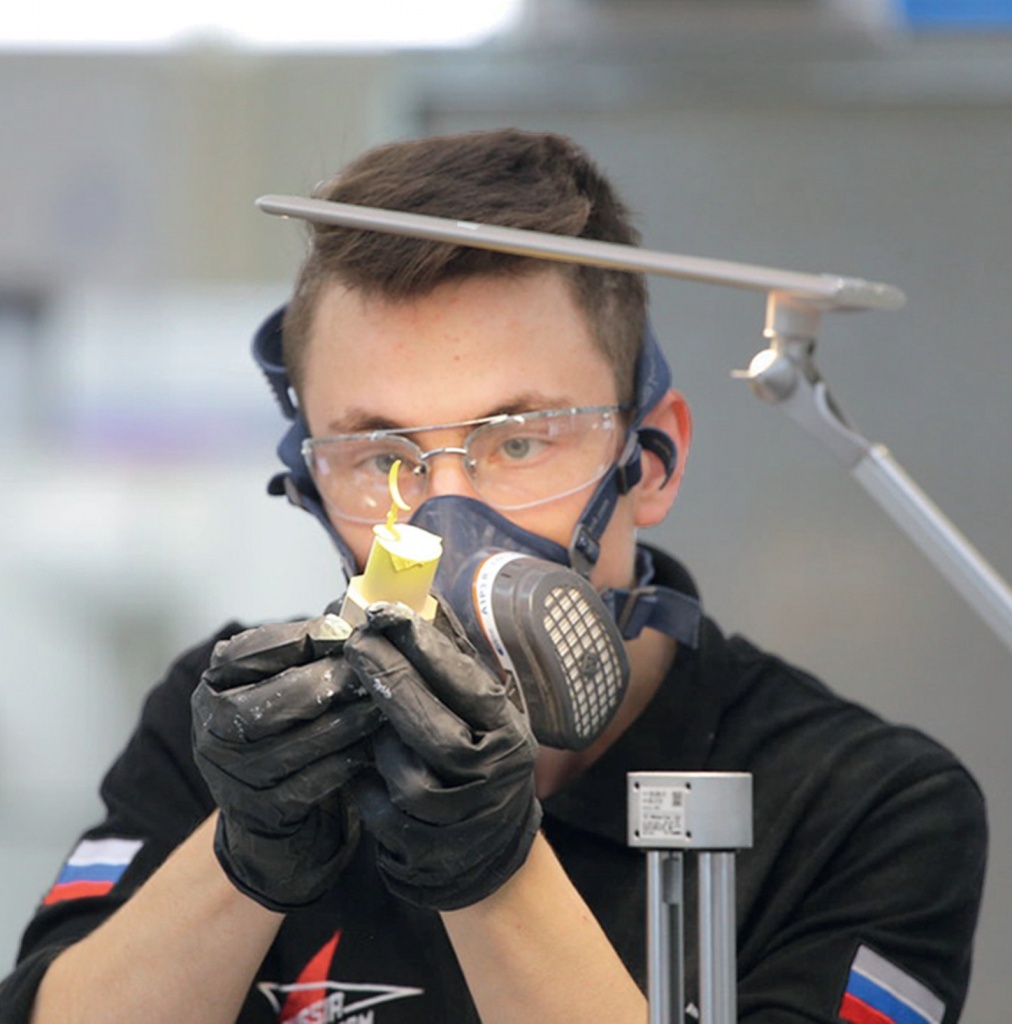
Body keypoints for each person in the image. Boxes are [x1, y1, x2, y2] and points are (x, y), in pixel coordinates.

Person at [1, 129, 987, 1024]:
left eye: (518, 441)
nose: (445, 520)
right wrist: (246, 852)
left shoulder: (866, 805)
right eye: (382, 456)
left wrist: (490, 870)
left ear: (653, 462)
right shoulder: (234, 729)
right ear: (311, 481)